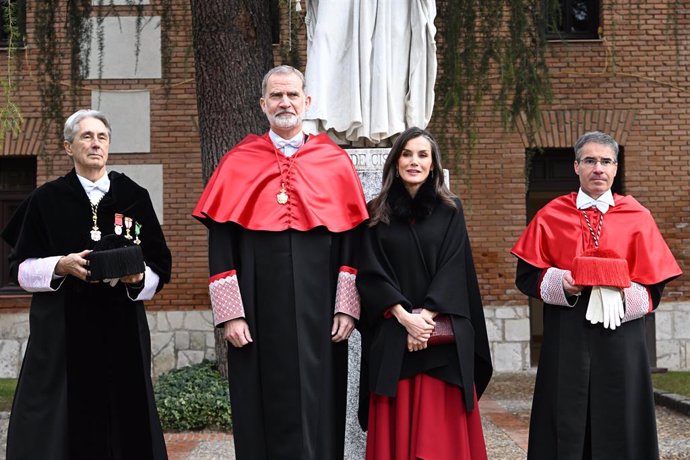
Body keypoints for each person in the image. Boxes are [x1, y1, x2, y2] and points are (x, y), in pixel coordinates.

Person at [192, 65, 368, 460]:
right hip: (255, 309)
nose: (284, 103)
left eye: (292, 95)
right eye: (276, 96)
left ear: (307, 102)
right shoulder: (238, 161)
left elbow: (351, 239)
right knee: (259, 401)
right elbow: (221, 244)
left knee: (319, 398)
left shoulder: (334, 161)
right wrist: (230, 315)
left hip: (320, 308)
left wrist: (347, 306)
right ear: (263, 104)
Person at [1, 109, 172, 459]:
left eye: (102, 137)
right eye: (86, 137)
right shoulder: (45, 199)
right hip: (62, 332)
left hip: (121, 328)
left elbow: (160, 267)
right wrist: (60, 266)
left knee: (127, 415)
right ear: (68, 147)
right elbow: (19, 270)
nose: (95, 144)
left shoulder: (134, 197)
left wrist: (138, 278)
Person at [511, 131, 682, 459]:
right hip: (568, 331)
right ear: (576, 167)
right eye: (590, 160)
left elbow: (655, 286)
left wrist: (621, 296)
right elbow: (527, 276)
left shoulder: (638, 216)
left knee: (622, 417)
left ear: (616, 169)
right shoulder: (551, 214)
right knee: (565, 415)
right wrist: (563, 283)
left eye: (606, 161)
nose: (598, 168)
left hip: (621, 334)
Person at [356, 127, 493, 460]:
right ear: (395, 161)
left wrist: (425, 319)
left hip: (441, 336)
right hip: (393, 334)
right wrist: (404, 317)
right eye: (406, 154)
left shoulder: (451, 211)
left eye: (422, 155)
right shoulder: (375, 212)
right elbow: (371, 273)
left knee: (441, 442)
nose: (414, 162)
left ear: (433, 164)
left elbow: (454, 267)